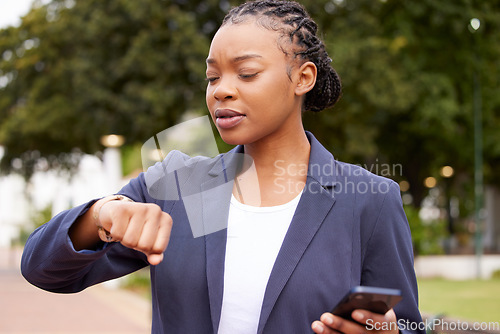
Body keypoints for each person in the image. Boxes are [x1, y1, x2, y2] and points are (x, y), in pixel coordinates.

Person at [21, 1, 424, 333]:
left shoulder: (369, 200)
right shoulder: (176, 187)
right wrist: (100, 214)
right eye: (213, 76)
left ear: (302, 78)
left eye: (246, 73)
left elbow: (405, 324)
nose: (222, 90)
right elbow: (44, 271)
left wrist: (388, 331)